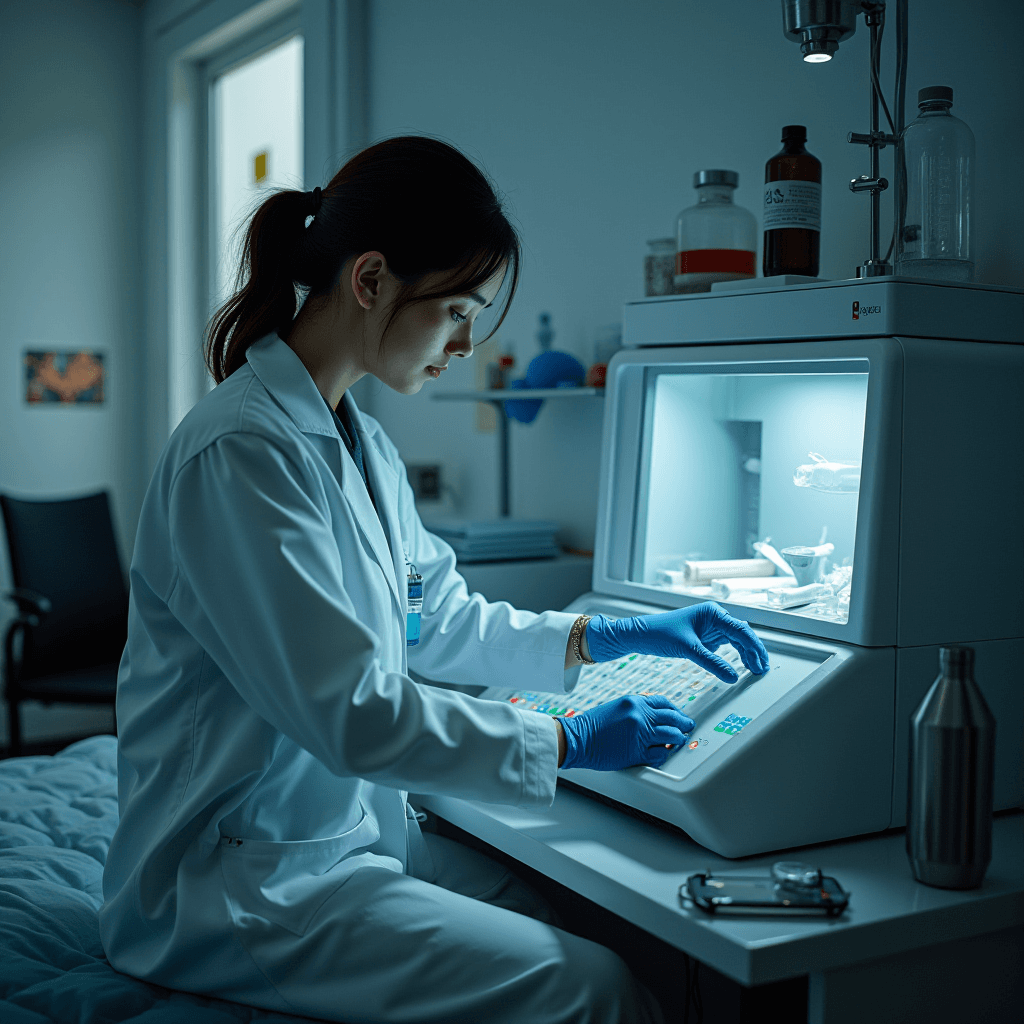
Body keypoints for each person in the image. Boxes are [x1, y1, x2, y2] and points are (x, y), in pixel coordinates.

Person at [99, 136, 769, 1024]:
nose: (465, 343)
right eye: (457, 309)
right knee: (591, 987)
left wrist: (602, 636)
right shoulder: (242, 453)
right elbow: (350, 711)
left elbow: (440, 618)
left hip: (335, 842)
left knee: (578, 924)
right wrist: (566, 742)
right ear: (369, 280)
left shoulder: (359, 443)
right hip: (235, 880)